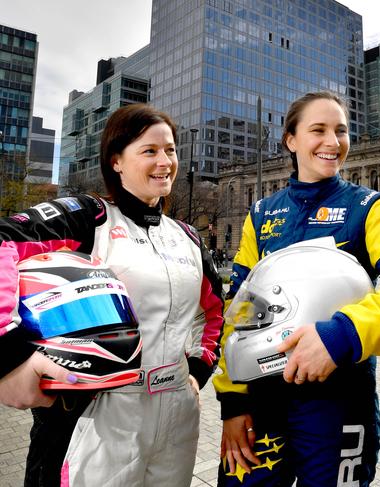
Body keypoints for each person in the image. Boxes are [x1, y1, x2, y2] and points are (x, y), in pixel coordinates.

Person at [213, 91, 380, 486]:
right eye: (318, 130)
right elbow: (237, 311)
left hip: (340, 403)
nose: (333, 142)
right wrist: (232, 401)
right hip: (261, 403)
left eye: (341, 131)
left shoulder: (371, 207)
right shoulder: (261, 214)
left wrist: (343, 334)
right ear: (291, 140)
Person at [0, 103, 224, 486]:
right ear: (116, 161)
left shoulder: (186, 237)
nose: (164, 161)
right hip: (93, 412)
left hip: (176, 414)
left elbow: (214, 312)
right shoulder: (89, 216)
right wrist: (12, 357)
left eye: (169, 150)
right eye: (149, 151)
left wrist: (199, 369)